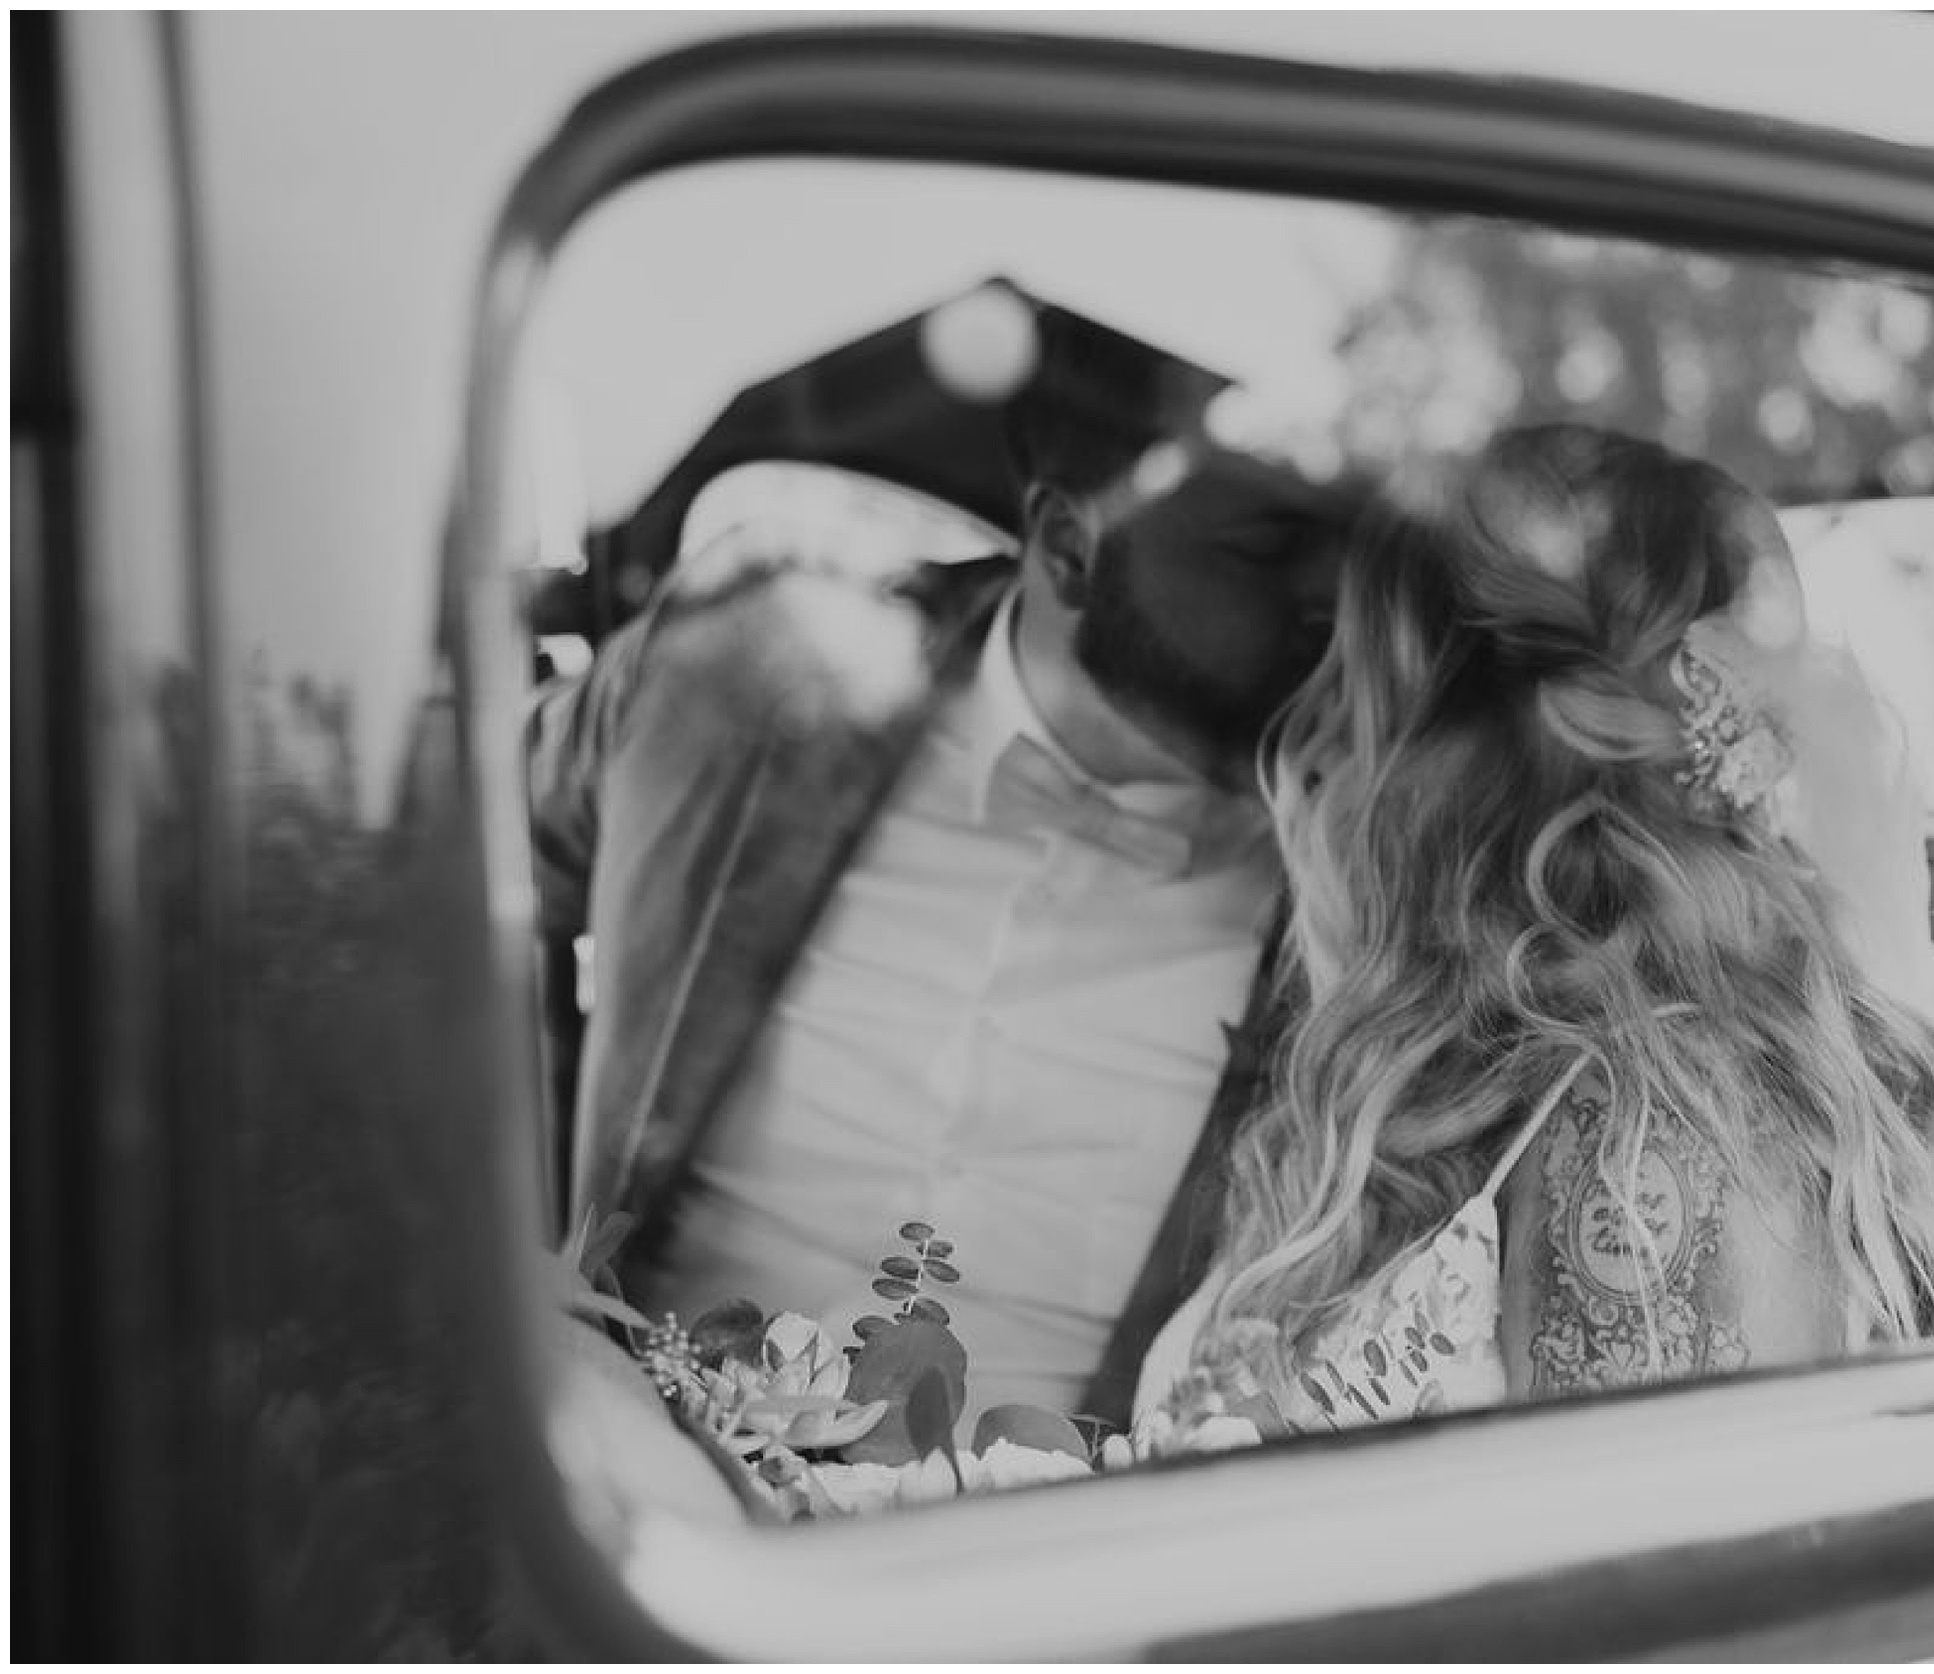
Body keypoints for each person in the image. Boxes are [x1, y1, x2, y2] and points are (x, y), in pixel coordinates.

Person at [1129, 422, 1934, 1449]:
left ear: (1417, 760)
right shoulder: (1433, 1096)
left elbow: (1671, 1546)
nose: (1309, 749)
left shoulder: (1650, 1124)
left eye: (1343, 687)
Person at [528, 311, 1361, 1425]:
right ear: (1069, 546)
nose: (1337, 599)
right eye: (1268, 544)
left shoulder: (1375, 864)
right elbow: (430, 861)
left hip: (1078, 1523)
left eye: (1352, 547)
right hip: (630, 1470)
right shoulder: (752, 658)